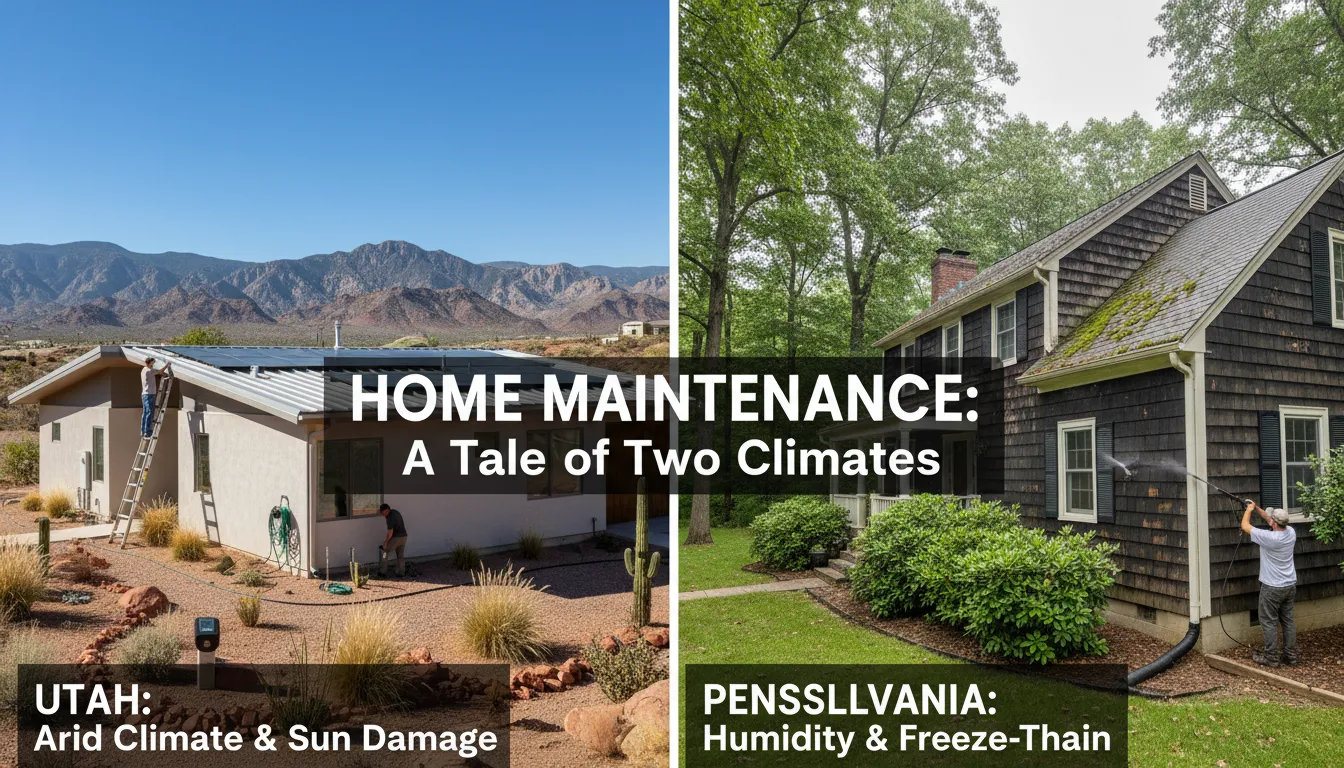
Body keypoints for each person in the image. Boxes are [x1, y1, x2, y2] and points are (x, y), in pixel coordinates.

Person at [1242, 500, 1299, 666]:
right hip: (1289, 585)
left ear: (1274, 523)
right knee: (1288, 621)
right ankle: (1290, 657)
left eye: (1271, 519)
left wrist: (1249, 511)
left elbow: (1245, 526)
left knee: (1268, 621)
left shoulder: (1270, 538)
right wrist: (1255, 507)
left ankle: (1271, 657)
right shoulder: (1290, 532)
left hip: (1272, 587)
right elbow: (1269, 519)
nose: (1270, 520)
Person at [140, 358, 171, 438]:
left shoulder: (144, 369)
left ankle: (143, 430)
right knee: (150, 412)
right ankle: (147, 431)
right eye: (152, 363)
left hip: (145, 394)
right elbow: (159, 371)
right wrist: (167, 365)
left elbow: (158, 372)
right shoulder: (148, 371)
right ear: (148, 363)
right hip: (149, 394)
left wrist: (164, 374)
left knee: (146, 412)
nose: (153, 364)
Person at [378, 503, 408, 577]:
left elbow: (390, 532)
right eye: (381, 512)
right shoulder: (395, 512)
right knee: (400, 555)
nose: (382, 514)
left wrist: (385, 542)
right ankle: (401, 572)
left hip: (397, 538)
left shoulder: (390, 517)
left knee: (384, 551)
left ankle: (383, 572)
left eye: (383, 512)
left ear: (387, 510)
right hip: (404, 537)